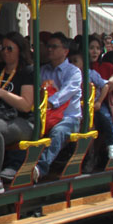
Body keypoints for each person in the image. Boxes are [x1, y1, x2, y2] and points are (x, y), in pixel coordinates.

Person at [0, 33, 34, 194]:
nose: (5, 52)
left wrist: (3, 93)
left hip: (23, 121)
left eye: (9, 48)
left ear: (20, 50)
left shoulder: (27, 72)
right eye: (2, 48)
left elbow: (26, 105)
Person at [32, 33, 82, 181]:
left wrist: (50, 102)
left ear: (65, 51)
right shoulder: (42, 70)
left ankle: (41, 167)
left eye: (54, 47)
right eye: (48, 46)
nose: (50, 50)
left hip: (68, 117)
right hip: (45, 115)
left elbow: (67, 92)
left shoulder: (73, 72)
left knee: (58, 131)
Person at [68, 48, 113, 168]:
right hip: (77, 107)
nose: (72, 64)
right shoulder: (68, 75)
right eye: (70, 61)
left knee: (105, 118)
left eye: (75, 61)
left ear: (83, 63)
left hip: (93, 105)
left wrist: (99, 102)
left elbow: (105, 86)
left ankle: (110, 144)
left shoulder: (91, 74)